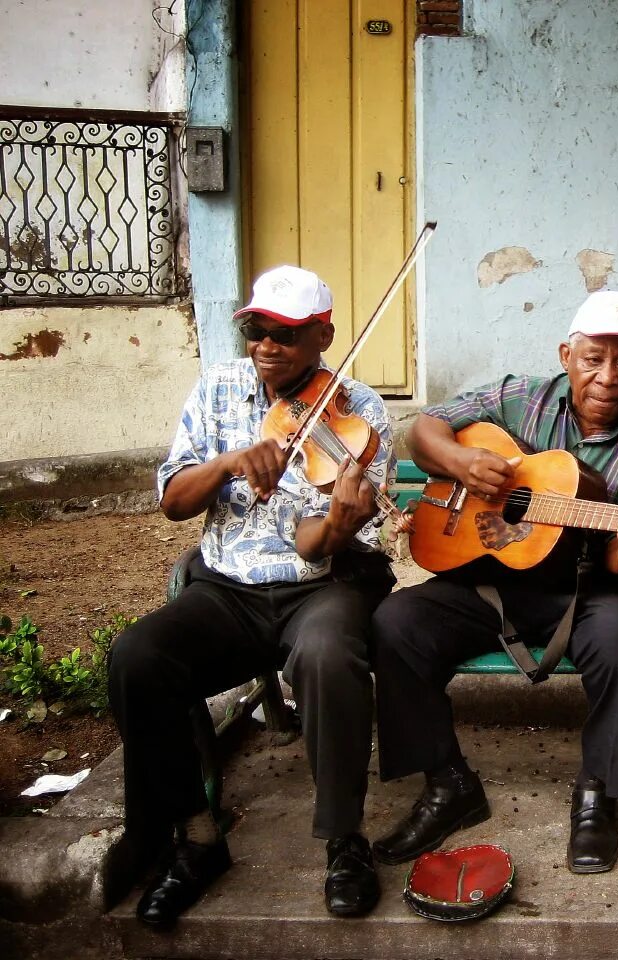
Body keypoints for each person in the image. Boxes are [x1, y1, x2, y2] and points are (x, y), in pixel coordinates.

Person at [106, 265, 397, 926]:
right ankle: (197, 835)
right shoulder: (217, 389)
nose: (267, 346)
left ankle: (343, 840)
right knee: (137, 657)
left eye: (286, 335)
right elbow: (173, 501)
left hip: (318, 585)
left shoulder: (360, 412)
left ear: (325, 334)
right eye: (256, 330)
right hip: (226, 588)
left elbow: (317, 546)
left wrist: (341, 521)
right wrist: (231, 461)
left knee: (327, 655)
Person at [371, 289, 618, 875]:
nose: (607, 377)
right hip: (491, 580)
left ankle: (597, 796)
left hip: (588, 588)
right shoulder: (519, 396)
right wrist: (460, 462)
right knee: (395, 623)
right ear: (566, 354)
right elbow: (425, 428)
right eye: (593, 358)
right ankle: (447, 785)